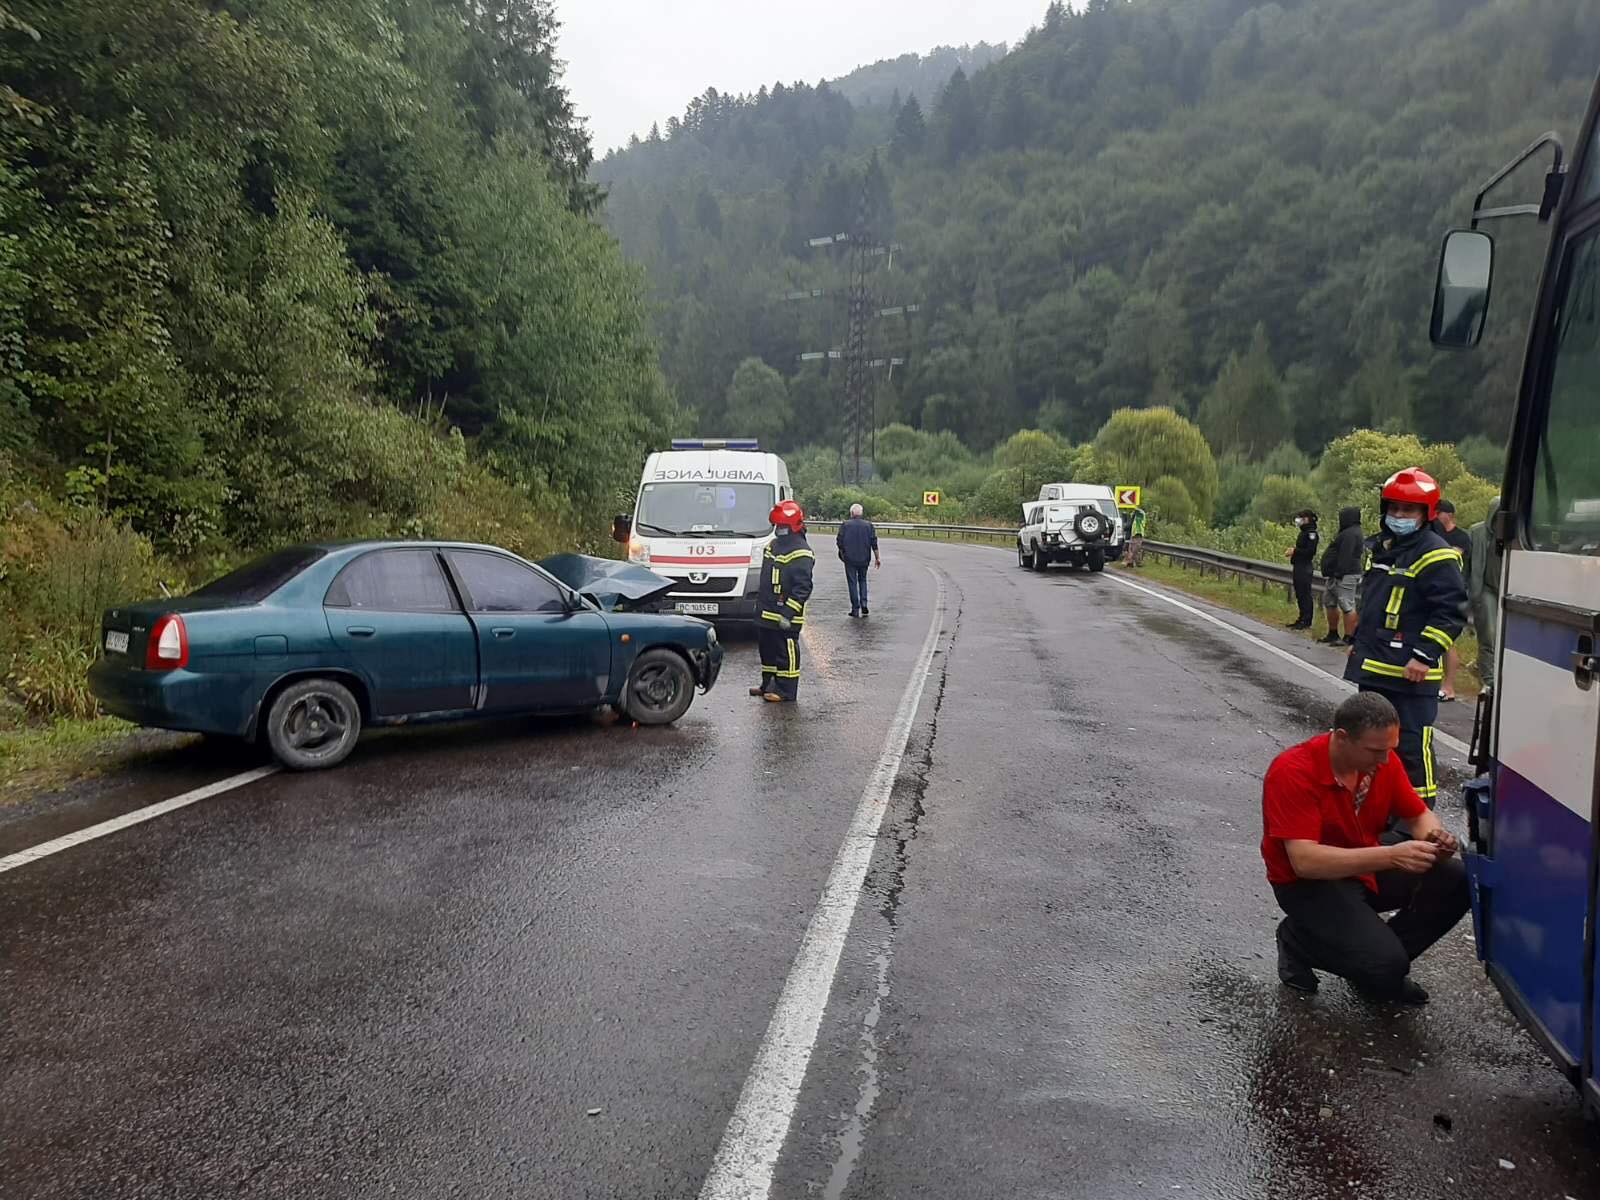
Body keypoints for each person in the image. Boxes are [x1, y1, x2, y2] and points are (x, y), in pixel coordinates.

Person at [1263, 691, 1469, 1004]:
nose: (1385, 760)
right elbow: (1305, 862)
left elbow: (1417, 814)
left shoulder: (1380, 761)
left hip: (1363, 862)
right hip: (1308, 883)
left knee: (1457, 878)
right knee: (1385, 964)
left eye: (1391, 749)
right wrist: (1392, 856)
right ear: (1342, 738)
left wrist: (1435, 838)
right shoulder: (1293, 771)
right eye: (1375, 751)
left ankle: (1374, 967)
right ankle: (1298, 942)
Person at [1343, 468, 1467, 807]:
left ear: (1425, 513)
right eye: (1393, 509)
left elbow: (1451, 612)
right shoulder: (1385, 548)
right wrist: (1357, 646)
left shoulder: (1435, 553)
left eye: (1408, 510)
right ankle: (1376, 809)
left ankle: (1418, 818)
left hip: (1410, 674)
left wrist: (1424, 656)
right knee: (1370, 745)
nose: (1398, 516)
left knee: (1411, 746)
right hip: (1376, 668)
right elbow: (1375, 606)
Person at [751, 499, 815, 704]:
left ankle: (786, 691)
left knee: (786, 652)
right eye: (777, 526)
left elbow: (803, 588)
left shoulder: (801, 551)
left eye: (783, 526)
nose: (779, 530)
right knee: (767, 651)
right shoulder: (774, 545)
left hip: (784, 616)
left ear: (794, 525)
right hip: (766, 612)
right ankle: (768, 684)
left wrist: (788, 613)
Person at [1432, 499, 1474, 701]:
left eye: (1439, 513)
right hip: (1433, 590)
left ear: (1449, 514)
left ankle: (1449, 687)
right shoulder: (1434, 533)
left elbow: (1453, 557)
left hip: (1453, 592)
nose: (1436, 516)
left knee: (1447, 641)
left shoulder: (1461, 536)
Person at [1467, 498, 1503, 692]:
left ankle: (1480, 666)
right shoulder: (1477, 532)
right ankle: (1489, 681)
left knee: (1503, 639)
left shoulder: (1511, 535)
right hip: (1485, 589)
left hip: (1505, 590)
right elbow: (1469, 564)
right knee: (1489, 636)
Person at [1318, 506, 1365, 645]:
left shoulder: (1351, 533)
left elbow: (1346, 554)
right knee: (1330, 602)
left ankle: (1349, 637)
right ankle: (1333, 634)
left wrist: (1339, 572)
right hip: (1336, 574)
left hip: (1346, 574)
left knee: (1347, 604)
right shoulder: (1347, 532)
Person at [836, 502, 881, 618]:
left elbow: (839, 541)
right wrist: (877, 557)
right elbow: (874, 542)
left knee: (852, 582)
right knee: (863, 580)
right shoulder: (869, 525)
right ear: (861, 514)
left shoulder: (845, 525)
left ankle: (855, 608)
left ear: (851, 513)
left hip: (850, 559)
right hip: (864, 559)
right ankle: (864, 603)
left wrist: (842, 553)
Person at [1283, 509, 1319, 629]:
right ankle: (1301, 618)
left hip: (1305, 567)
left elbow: (1310, 551)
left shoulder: (1311, 533)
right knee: (1299, 593)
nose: (1298, 520)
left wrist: (1295, 551)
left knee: (1305, 594)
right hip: (1299, 566)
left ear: (1307, 519)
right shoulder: (1304, 532)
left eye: (1301, 517)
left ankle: (1306, 620)